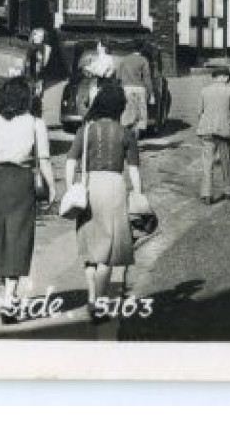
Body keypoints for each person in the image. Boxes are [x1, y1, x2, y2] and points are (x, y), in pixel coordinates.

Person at [0, 77, 54, 323]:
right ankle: (9, 297)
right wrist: (52, 187)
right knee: (18, 237)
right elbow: (44, 159)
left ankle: (6, 294)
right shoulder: (36, 123)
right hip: (20, 182)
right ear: (26, 98)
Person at [62, 84, 142, 322]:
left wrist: (71, 188)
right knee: (108, 250)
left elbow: (69, 162)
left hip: (88, 187)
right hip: (115, 187)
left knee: (90, 245)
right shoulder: (126, 133)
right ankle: (99, 301)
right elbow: (134, 170)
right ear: (119, 107)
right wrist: (138, 194)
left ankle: (91, 297)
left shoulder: (85, 131)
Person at [197, 66, 230, 204]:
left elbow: (199, 112)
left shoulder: (204, 91)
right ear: (226, 77)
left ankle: (207, 194)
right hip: (224, 131)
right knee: (226, 162)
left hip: (206, 130)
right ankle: (229, 191)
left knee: (207, 163)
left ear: (215, 77)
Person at [114, 44, 153, 135]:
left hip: (126, 88)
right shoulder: (143, 60)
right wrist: (151, 93)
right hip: (140, 88)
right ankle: (136, 136)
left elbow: (118, 77)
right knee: (139, 114)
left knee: (126, 111)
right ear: (141, 51)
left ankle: (125, 135)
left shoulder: (123, 60)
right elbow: (147, 78)